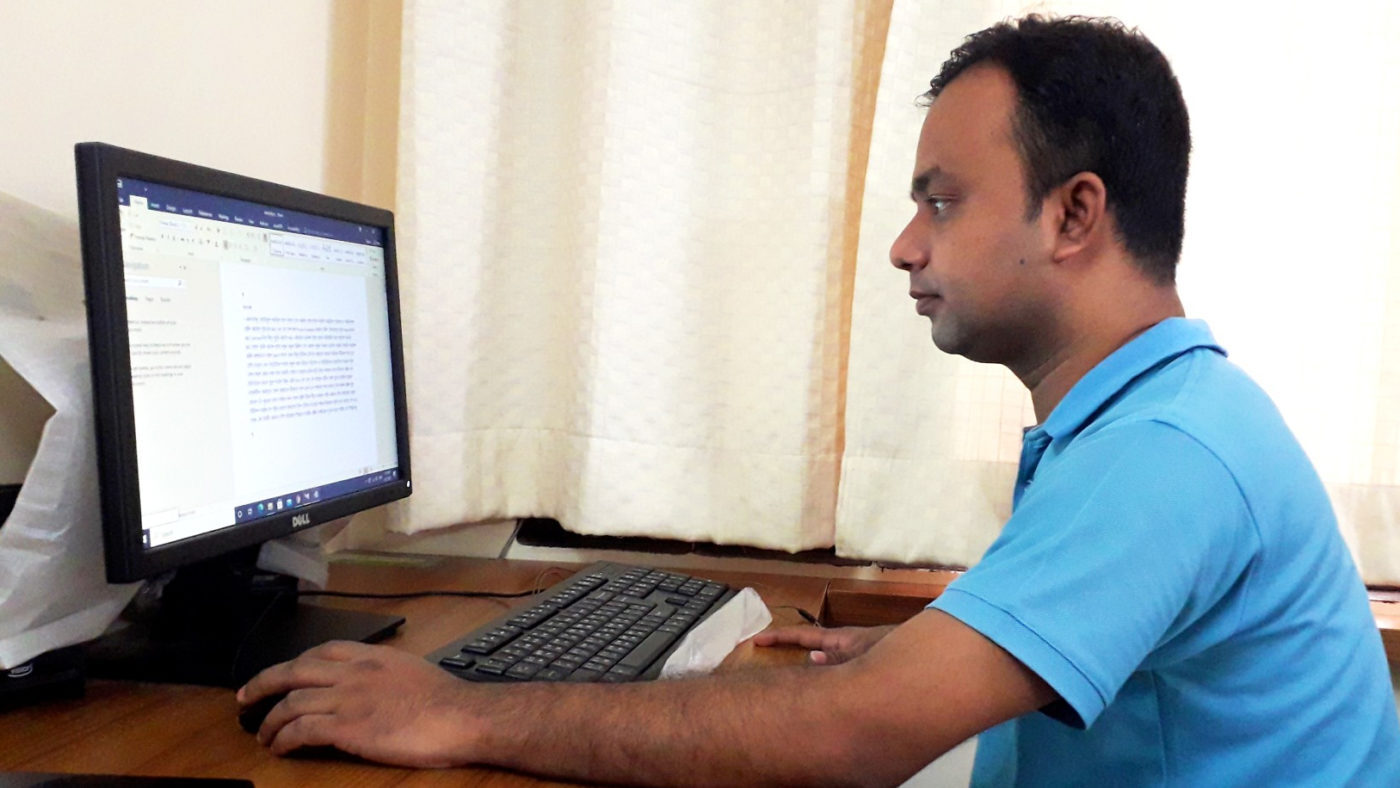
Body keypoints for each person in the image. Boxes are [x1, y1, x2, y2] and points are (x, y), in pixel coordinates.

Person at [239, 15, 1400, 785]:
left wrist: (463, 712)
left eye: (940, 201)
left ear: (1074, 213)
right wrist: (914, 660)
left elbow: (852, 745)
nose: (903, 246)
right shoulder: (1150, 420)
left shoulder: (1165, 457)